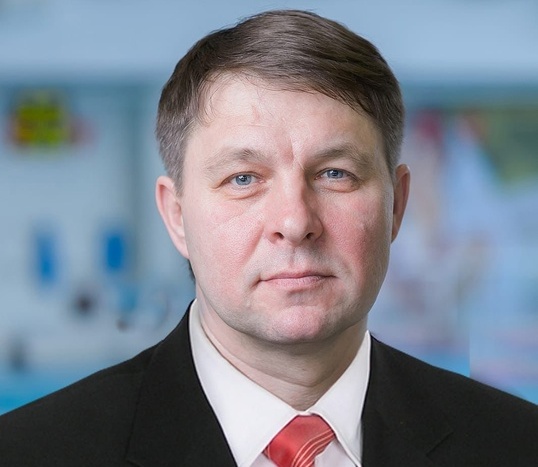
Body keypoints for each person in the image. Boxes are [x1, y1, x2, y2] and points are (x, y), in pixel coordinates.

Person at [0, 9, 536, 467]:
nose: (295, 222)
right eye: (243, 179)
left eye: (335, 173)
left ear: (396, 204)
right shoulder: (29, 453)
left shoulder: (517, 446)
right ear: (176, 215)